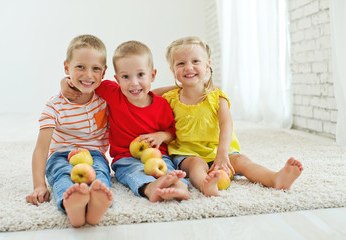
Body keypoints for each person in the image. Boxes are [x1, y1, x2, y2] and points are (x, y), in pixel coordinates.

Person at [157, 36, 303, 197]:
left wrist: (222, 153)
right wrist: (182, 84)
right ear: (172, 69)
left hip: (221, 151)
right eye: (181, 64)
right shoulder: (170, 98)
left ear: (207, 65)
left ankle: (275, 178)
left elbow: (226, 124)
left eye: (195, 61)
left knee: (242, 161)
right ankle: (206, 185)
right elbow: (149, 93)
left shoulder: (217, 97)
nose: (188, 67)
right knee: (196, 165)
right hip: (187, 153)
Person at [62, 40, 190, 202]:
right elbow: (88, 81)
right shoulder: (113, 93)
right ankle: (151, 189)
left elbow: (171, 133)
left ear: (152, 75)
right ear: (117, 78)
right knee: (133, 172)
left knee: (169, 170)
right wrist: (65, 81)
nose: (134, 83)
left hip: (158, 155)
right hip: (125, 157)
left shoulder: (161, 105)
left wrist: (160, 136)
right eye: (125, 77)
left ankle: (181, 188)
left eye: (141, 75)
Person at [26, 35, 113, 227]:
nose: (88, 75)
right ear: (67, 68)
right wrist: (39, 185)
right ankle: (71, 204)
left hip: (94, 155)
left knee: (99, 173)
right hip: (61, 155)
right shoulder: (54, 106)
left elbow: (140, 95)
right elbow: (41, 149)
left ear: (104, 72)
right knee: (63, 174)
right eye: (80, 67)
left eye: (95, 68)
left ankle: (96, 204)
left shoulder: (105, 98)